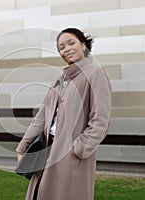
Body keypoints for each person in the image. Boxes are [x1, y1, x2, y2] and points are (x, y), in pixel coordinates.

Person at [15, 28, 112, 200]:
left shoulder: (95, 74)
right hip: (46, 150)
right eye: (61, 47)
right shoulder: (60, 79)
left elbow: (100, 120)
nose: (66, 49)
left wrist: (79, 149)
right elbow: (43, 115)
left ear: (83, 45)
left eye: (71, 43)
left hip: (70, 154)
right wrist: (23, 145)